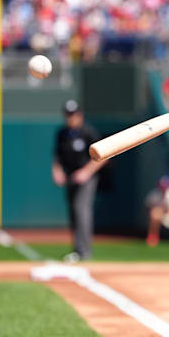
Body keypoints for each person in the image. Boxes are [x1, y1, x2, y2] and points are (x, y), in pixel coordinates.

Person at [52, 99, 104, 262]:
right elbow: (57, 157)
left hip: (86, 178)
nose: (70, 118)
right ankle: (77, 250)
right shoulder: (62, 133)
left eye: (73, 115)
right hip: (70, 176)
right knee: (74, 213)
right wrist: (57, 171)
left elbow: (103, 156)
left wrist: (86, 172)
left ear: (79, 115)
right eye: (68, 115)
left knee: (81, 210)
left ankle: (84, 251)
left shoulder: (88, 132)